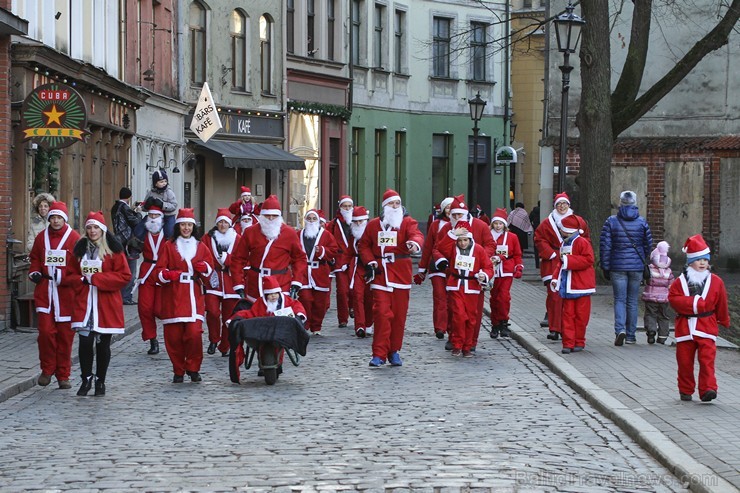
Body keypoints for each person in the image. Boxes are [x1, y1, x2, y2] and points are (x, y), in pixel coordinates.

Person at [357, 189, 424, 367]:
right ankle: (378, 353)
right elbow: (363, 246)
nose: (395, 207)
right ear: (384, 206)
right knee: (381, 313)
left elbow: (416, 235)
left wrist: (414, 244)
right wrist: (370, 262)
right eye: (391, 204)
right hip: (380, 274)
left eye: (397, 203)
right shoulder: (373, 225)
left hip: (400, 274)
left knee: (399, 316)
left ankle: (394, 350)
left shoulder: (407, 222)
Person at [68, 212, 131, 396]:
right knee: (85, 342)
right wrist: (80, 280)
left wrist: (97, 278)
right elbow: (70, 274)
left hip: (106, 305)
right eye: (89, 227)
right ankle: (86, 378)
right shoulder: (79, 250)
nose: (92, 231)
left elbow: (124, 276)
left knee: (103, 345)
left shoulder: (114, 251)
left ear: (102, 229)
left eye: (96, 227)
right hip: (85, 304)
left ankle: (100, 380)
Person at [154, 208, 213, 383]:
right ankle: (178, 369)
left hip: (193, 296)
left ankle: (193, 367)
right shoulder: (168, 246)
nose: (186, 228)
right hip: (173, 295)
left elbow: (211, 270)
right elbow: (158, 271)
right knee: (173, 337)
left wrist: (205, 268)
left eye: (189, 225)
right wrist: (167, 275)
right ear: (178, 226)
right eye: (183, 225)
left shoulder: (201, 246)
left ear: (193, 227)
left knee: (194, 334)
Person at [668, 235, 729, 402]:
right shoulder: (679, 282)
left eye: (705, 259)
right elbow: (674, 299)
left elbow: (722, 302)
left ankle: (708, 389)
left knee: (707, 360)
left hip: (706, 326)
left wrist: (724, 319)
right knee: (684, 362)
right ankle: (686, 389)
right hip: (685, 327)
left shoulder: (716, 282)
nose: (702, 263)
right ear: (690, 262)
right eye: (698, 259)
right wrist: (695, 303)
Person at [27, 201, 81, 389]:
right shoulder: (42, 237)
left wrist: (63, 276)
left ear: (64, 218)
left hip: (66, 295)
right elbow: (35, 258)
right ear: (49, 218)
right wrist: (34, 271)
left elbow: (79, 267)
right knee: (45, 333)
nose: (56, 220)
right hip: (45, 291)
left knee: (65, 337)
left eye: (59, 217)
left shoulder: (74, 238)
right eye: (53, 217)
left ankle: (63, 374)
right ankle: (47, 369)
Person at [434, 195, 495, 351]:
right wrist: (442, 260)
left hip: (475, 277)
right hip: (455, 276)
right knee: (455, 310)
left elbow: (490, 244)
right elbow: (438, 248)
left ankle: (471, 341)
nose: (455, 218)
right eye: (453, 215)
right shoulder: (448, 228)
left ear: (465, 213)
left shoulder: (480, 226)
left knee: (474, 312)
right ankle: (454, 338)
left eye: (459, 214)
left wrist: (481, 262)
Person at [227, 276, 308, 382]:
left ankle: (278, 364)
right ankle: (263, 361)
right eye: (270, 294)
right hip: (262, 333)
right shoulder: (260, 303)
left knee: (280, 344)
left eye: (275, 293)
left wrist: (299, 315)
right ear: (266, 295)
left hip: (281, 332)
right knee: (259, 344)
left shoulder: (286, 301)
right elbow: (251, 313)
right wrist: (236, 319)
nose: (273, 296)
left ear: (279, 293)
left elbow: (296, 306)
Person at [230, 195, 307, 303]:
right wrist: (238, 283)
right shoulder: (250, 232)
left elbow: (299, 258)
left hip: (281, 282)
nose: (271, 219)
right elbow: (238, 259)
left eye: (274, 216)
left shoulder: (289, 233)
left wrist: (296, 282)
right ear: (262, 216)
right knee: (256, 316)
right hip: (256, 283)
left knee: (278, 317)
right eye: (267, 216)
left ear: (279, 217)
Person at [534, 193, 590, 341]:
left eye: (564, 203)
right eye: (559, 204)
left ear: (569, 205)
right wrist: (551, 254)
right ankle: (554, 328)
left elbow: (586, 240)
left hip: (572, 263)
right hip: (553, 262)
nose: (562, 206)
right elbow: (539, 239)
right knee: (554, 297)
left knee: (569, 300)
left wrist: (575, 254)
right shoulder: (547, 223)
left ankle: (567, 329)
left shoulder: (578, 221)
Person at [599, 190, 652, 346]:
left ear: (620, 203)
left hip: (617, 266)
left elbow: (605, 247)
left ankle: (620, 330)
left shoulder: (611, 221)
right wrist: (641, 260)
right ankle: (631, 335)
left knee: (619, 300)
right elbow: (648, 245)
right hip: (636, 267)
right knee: (632, 301)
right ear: (635, 203)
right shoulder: (642, 222)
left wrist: (605, 266)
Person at [550, 215, 596, 354]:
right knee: (567, 315)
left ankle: (579, 341)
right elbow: (561, 262)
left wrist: (569, 261)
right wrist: (555, 278)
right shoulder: (564, 244)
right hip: (568, 285)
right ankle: (568, 343)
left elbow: (588, 260)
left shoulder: (582, 242)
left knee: (581, 316)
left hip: (581, 285)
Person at [201, 208, 241, 356]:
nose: (223, 225)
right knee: (212, 312)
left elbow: (241, 259)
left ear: (230, 224)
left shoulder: (237, 239)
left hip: (231, 282)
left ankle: (225, 345)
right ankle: (213, 339)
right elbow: (202, 256)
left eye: (225, 222)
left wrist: (228, 260)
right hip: (213, 280)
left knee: (229, 317)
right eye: (220, 222)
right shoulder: (207, 238)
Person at [414, 196, 454, 339]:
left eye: (452, 207)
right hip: (436, 266)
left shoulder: (463, 225)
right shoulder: (436, 225)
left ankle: (451, 327)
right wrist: (422, 269)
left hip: (455, 266)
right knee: (440, 297)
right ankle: (440, 327)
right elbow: (428, 247)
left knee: (452, 298)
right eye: (447, 207)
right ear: (443, 209)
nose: (450, 210)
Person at [133, 202, 167, 355]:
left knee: (160, 309)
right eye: (151, 215)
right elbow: (132, 248)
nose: (153, 218)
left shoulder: (168, 234)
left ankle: (171, 337)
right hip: (147, 270)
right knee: (145, 308)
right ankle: (152, 339)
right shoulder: (142, 233)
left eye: (156, 216)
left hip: (162, 271)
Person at [298, 209, 338, 336]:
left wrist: (322, 251)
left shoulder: (325, 235)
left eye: (313, 219)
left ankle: (316, 326)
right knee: (305, 299)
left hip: (320, 271)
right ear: (305, 220)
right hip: (304, 272)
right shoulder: (298, 234)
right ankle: (306, 323)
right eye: (308, 219)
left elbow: (334, 250)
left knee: (320, 302)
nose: (311, 221)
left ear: (318, 221)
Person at [488, 208, 523, 339]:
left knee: (504, 297)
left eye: (500, 223)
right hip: (492, 271)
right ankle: (495, 323)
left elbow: (517, 254)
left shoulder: (512, 237)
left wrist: (518, 267)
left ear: (505, 225)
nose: (498, 226)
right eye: (496, 223)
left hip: (507, 270)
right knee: (494, 298)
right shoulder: (487, 236)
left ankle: (503, 322)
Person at [326, 195, 355, 327]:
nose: (347, 208)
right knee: (342, 290)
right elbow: (327, 240)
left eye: (349, 206)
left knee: (355, 288)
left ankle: (353, 307)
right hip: (340, 260)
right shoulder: (333, 224)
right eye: (345, 206)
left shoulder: (358, 221)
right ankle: (342, 318)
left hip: (355, 260)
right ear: (340, 207)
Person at [111, 186, 142, 305]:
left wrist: (132, 210)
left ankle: (121, 295)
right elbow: (135, 222)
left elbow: (124, 218)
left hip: (119, 241)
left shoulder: (115, 207)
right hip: (128, 242)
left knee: (122, 269)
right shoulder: (124, 207)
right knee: (131, 271)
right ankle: (126, 296)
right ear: (129, 197)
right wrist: (138, 213)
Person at [348, 206, 374, 338]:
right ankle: (360, 325)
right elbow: (347, 252)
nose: (358, 224)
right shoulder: (351, 235)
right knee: (357, 295)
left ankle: (369, 323)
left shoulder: (372, 232)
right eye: (356, 222)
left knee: (369, 297)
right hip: (357, 266)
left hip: (370, 267)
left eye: (361, 221)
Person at [642, 241, 674, 345]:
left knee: (650, 314)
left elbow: (646, 280)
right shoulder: (669, 271)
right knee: (663, 316)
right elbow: (671, 284)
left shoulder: (650, 269)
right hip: (664, 298)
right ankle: (662, 336)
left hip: (651, 296)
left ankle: (651, 331)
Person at [143, 169, 178, 239]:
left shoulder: (169, 192)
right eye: (161, 182)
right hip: (154, 216)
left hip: (168, 216)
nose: (164, 183)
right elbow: (143, 207)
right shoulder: (150, 193)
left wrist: (162, 205)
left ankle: (169, 243)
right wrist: (146, 206)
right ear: (155, 183)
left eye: (165, 181)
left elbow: (174, 205)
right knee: (141, 228)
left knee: (169, 232)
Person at [529, 203, 541, 269]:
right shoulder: (544, 211)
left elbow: (529, 220)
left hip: (536, 229)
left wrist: (533, 226)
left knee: (536, 248)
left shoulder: (533, 212)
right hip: (542, 230)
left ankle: (537, 264)